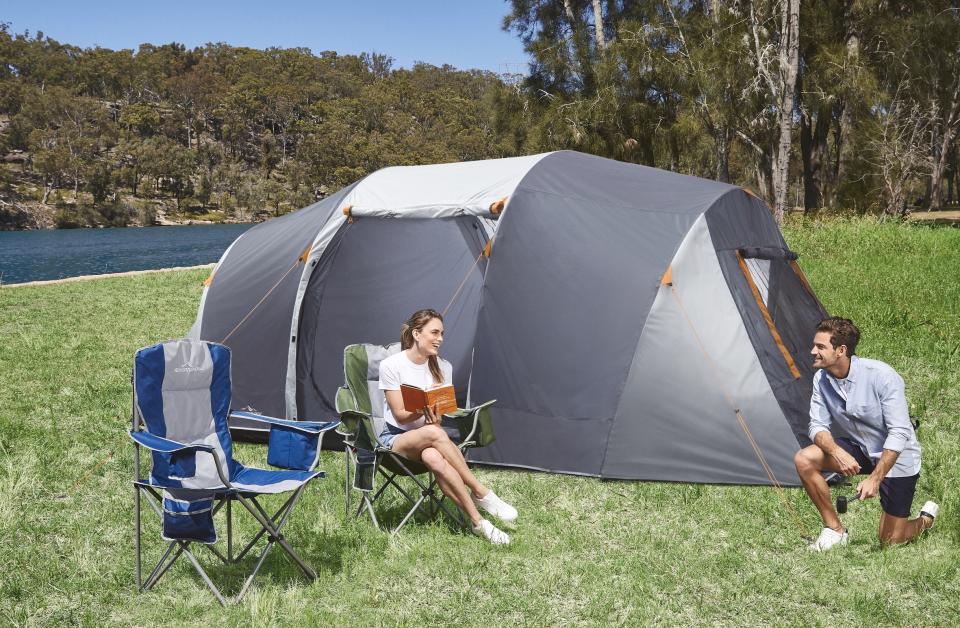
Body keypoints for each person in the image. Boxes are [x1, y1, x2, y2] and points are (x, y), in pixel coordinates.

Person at [795, 316, 938, 551]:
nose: (813, 351)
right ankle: (834, 530)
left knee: (890, 541)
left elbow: (900, 431)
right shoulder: (821, 378)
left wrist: (875, 478)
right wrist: (836, 452)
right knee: (804, 459)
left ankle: (926, 520)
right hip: (860, 448)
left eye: (820, 346)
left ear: (841, 350)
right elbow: (816, 425)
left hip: (896, 458)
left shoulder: (881, 375)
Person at [378, 308, 518, 545]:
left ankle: (478, 523)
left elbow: (438, 420)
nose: (440, 339)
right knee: (434, 433)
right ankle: (480, 491)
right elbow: (401, 416)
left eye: (442, 333)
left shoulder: (443, 368)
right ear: (416, 334)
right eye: (434, 333)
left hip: (430, 438)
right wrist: (422, 409)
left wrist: (434, 418)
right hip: (396, 439)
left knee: (434, 457)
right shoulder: (392, 365)